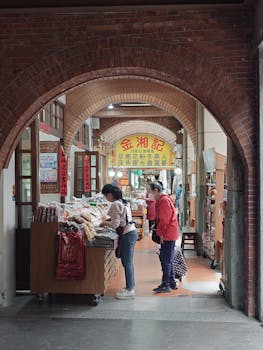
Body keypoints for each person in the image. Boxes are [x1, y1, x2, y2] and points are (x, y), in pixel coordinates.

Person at [100, 184, 138, 299]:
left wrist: (104, 223)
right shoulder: (123, 202)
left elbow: (115, 224)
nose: (106, 198)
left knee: (127, 262)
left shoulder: (115, 204)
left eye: (106, 195)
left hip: (127, 234)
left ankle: (130, 289)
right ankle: (129, 287)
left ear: (110, 195)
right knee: (127, 262)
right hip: (131, 232)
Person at [149, 182, 179, 293]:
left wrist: (160, 234)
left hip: (168, 233)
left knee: (165, 259)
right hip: (169, 232)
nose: (149, 193)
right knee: (168, 258)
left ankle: (165, 284)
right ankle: (171, 282)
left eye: (150, 191)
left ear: (156, 190)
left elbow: (164, 220)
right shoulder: (163, 200)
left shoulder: (164, 201)